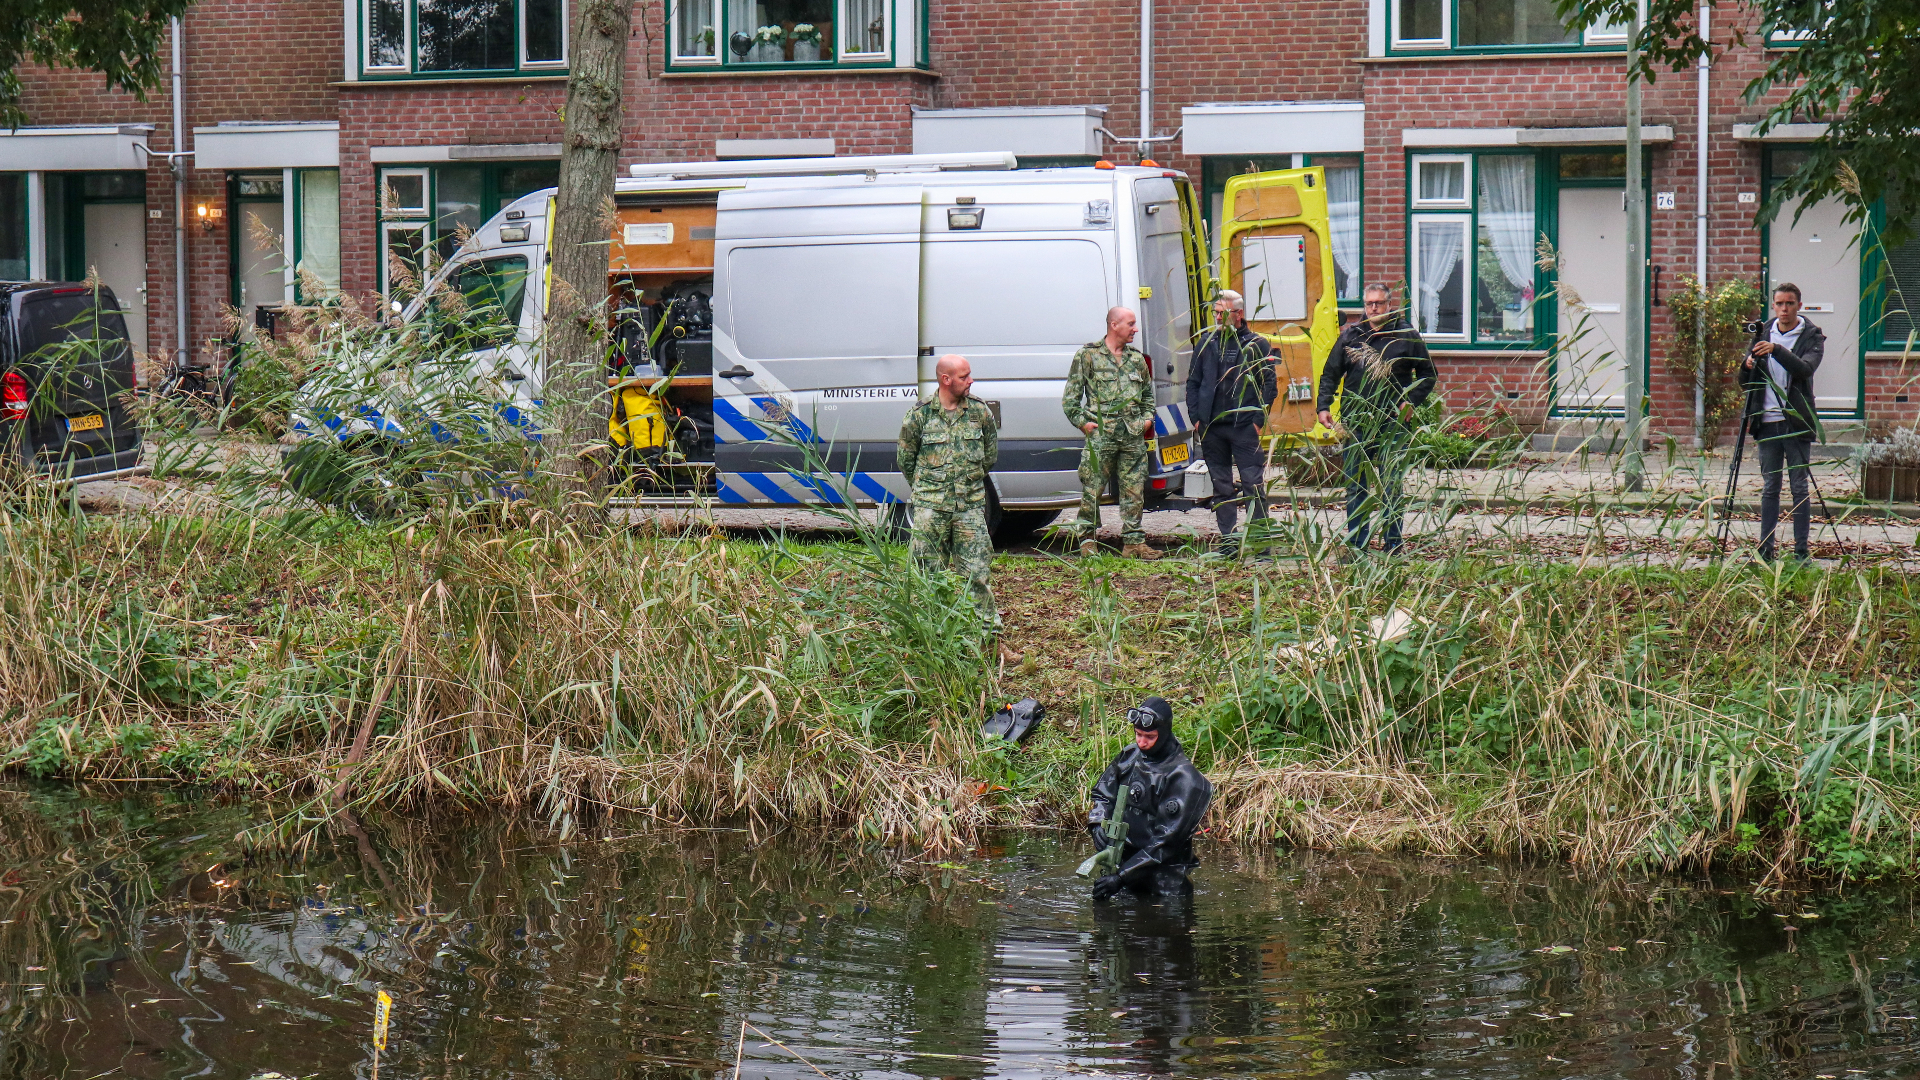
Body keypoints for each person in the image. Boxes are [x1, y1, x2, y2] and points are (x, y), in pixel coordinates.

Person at [897, 354, 1022, 663]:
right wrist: (931, 490)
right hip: (931, 510)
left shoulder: (979, 412)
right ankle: (932, 645)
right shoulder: (920, 416)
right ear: (946, 379)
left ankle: (990, 644)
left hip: (969, 508)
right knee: (927, 576)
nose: (971, 380)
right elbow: (906, 460)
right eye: (964, 376)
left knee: (977, 575)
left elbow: (989, 456)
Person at [1315, 283, 1436, 556]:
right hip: (1357, 422)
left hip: (1393, 422)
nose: (1373, 308)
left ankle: (1393, 545)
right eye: (1369, 304)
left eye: (1379, 303)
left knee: (1391, 485)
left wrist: (1411, 401)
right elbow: (1330, 373)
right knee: (1355, 486)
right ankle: (1358, 545)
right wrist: (1323, 406)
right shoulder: (1351, 336)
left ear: (1389, 304)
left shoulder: (1406, 335)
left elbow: (1428, 374)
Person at [1086, 697, 1212, 900]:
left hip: (1166, 885)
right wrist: (1097, 822)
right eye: (1138, 734)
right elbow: (1103, 793)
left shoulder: (1184, 779)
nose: (1141, 742)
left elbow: (1166, 842)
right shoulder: (1130, 756)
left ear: (1164, 733)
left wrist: (1121, 877)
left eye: (1150, 737)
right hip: (1124, 873)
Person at [1063, 306, 1161, 561]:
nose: (1135, 329)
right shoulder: (1088, 356)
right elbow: (1070, 400)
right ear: (1114, 325)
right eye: (1131, 324)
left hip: (1132, 437)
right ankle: (1087, 541)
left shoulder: (1136, 359)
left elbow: (1148, 397)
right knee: (1092, 490)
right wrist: (1084, 424)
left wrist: (1146, 420)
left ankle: (1133, 543)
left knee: (1134, 491)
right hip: (1101, 438)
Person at [1186, 289, 1276, 546]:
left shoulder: (1257, 344)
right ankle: (1229, 542)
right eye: (1215, 313)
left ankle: (1260, 543)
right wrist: (1196, 418)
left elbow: (1269, 385)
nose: (1217, 317)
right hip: (1211, 427)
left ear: (1239, 314)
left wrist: (1258, 420)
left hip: (1244, 427)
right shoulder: (1206, 343)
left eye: (1223, 313)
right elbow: (1193, 382)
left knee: (1252, 484)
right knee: (1221, 486)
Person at [1742, 282, 1825, 563]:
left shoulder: (1812, 336)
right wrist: (1747, 366)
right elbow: (1745, 382)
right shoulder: (1763, 332)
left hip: (1796, 422)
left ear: (1799, 306)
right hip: (1767, 421)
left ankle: (1801, 551)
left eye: (1790, 303)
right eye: (1779, 304)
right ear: (1773, 306)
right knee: (1770, 488)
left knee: (1799, 487)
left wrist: (1776, 349)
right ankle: (1766, 549)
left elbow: (1804, 369)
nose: (1784, 309)